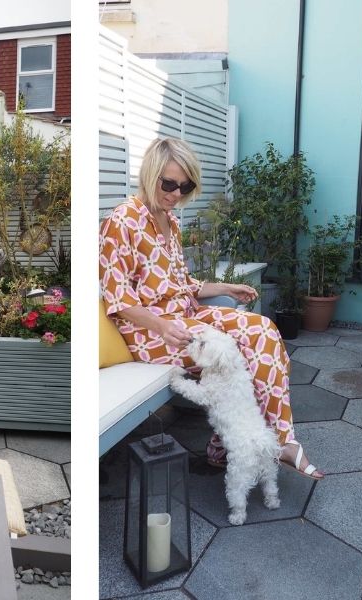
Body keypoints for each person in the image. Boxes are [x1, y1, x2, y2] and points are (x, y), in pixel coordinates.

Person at [99, 137, 323, 479]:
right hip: (149, 331)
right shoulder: (123, 221)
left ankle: (262, 440)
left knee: (262, 330)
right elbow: (119, 301)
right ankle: (254, 443)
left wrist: (223, 287)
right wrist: (161, 326)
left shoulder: (170, 222)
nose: (176, 194)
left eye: (184, 186)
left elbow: (181, 282)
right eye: (169, 183)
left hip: (185, 316)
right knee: (238, 350)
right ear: (150, 174)